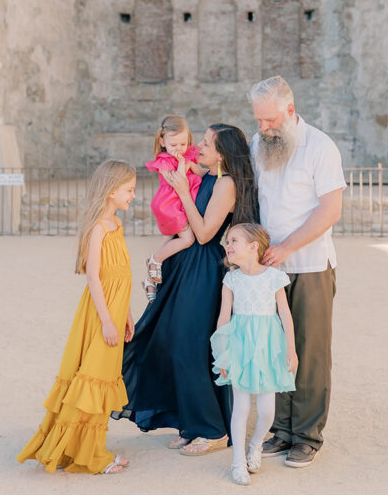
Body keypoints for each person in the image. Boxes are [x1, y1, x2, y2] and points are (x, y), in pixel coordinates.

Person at [114, 123, 258, 455]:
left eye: (207, 143)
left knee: (189, 348)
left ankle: (213, 428)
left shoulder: (226, 184)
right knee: (167, 340)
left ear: (222, 153)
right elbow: (178, 220)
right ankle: (188, 422)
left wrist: (181, 191)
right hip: (183, 264)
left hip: (204, 268)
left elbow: (206, 233)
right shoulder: (202, 176)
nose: (199, 146)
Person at [249, 76, 346, 468]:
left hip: (309, 267)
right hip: (269, 269)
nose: (263, 128)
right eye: (258, 120)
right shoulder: (259, 145)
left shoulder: (321, 147)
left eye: (270, 120)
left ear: (290, 110)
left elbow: (330, 210)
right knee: (275, 348)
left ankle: (307, 435)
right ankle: (282, 428)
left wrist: (288, 246)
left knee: (309, 349)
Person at [17, 160, 136, 475]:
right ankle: (90, 457)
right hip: (99, 317)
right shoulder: (98, 227)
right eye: (129, 190)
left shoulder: (116, 225)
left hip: (114, 312)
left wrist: (127, 314)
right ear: (111, 192)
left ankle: (90, 448)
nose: (132, 196)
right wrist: (109, 321)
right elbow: (94, 278)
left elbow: (121, 275)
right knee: (91, 381)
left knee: (102, 382)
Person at [211, 223, 298, 485]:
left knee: (267, 411)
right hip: (239, 346)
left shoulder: (272, 277)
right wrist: (222, 354)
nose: (228, 245)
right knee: (241, 407)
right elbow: (223, 318)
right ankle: (238, 461)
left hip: (268, 348)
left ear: (253, 247)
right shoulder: (232, 279)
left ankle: (256, 444)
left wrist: (291, 349)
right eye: (228, 240)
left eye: (234, 240)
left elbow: (285, 314)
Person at [142, 114, 205, 301]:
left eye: (183, 144)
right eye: (173, 145)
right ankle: (156, 260)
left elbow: (201, 173)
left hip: (181, 205)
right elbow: (178, 181)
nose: (179, 149)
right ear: (162, 141)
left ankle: (150, 279)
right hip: (169, 205)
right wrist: (184, 164)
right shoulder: (163, 161)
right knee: (188, 239)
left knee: (168, 240)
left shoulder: (189, 156)